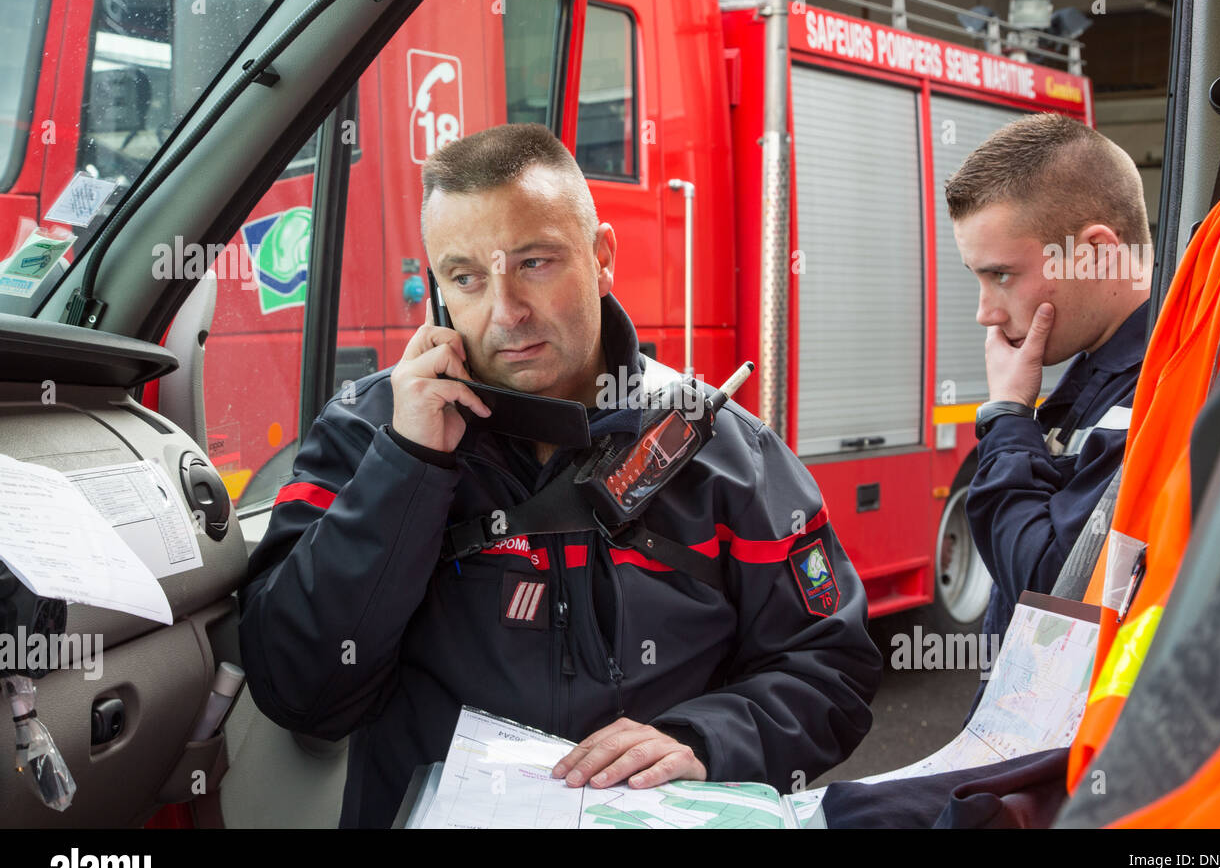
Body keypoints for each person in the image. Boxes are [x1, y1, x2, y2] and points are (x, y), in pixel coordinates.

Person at [238, 123, 882, 828]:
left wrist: (704, 740)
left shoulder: (729, 454)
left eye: (535, 263)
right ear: (439, 288)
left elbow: (833, 668)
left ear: (603, 255)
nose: (506, 312)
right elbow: (297, 689)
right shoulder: (368, 433)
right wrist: (410, 464)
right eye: (467, 278)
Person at [946, 112, 1151, 653]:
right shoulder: (1099, 367)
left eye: (1002, 275)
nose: (986, 313)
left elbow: (1051, 595)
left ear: (1098, 253)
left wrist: (1008, 418)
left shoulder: (1152, 388)